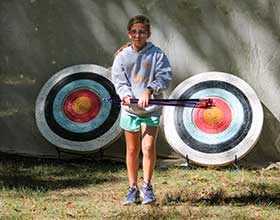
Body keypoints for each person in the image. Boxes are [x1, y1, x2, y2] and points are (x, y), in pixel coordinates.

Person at [112, 15, 172, 205]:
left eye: (142, 32)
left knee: (147, 148)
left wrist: (149, 89)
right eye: (134, 31)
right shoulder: (122, 56)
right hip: (130, 109)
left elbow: (164, 76)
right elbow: (119, 81)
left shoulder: (157, 54)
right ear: (129, 33)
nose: (138, 35)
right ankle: (132, 188)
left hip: (151, 109)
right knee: (132, 149)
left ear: (148, 34)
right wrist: (125, 94)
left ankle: (147, 186)